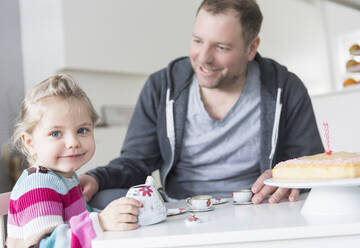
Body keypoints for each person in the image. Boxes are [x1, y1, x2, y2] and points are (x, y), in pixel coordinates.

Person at [80, 0, 323, 208]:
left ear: (251, 48)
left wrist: (285, 177)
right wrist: (96, 178)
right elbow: (136, 162)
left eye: (221, 47)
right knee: (103, 198)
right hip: (179, 206)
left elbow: (309, 163)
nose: (203, 58)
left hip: (257, 205)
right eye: (198, 41)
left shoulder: (285, 88)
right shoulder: (161, 86)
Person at [7, 74, 142, 248]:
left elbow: (82, 218)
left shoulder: (65, 178)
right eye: (56, 133)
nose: (73, 143)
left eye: (82, 130)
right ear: (30, 143)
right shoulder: (38, 186)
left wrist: (116, 217)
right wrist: (100, 223)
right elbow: (46, 245)